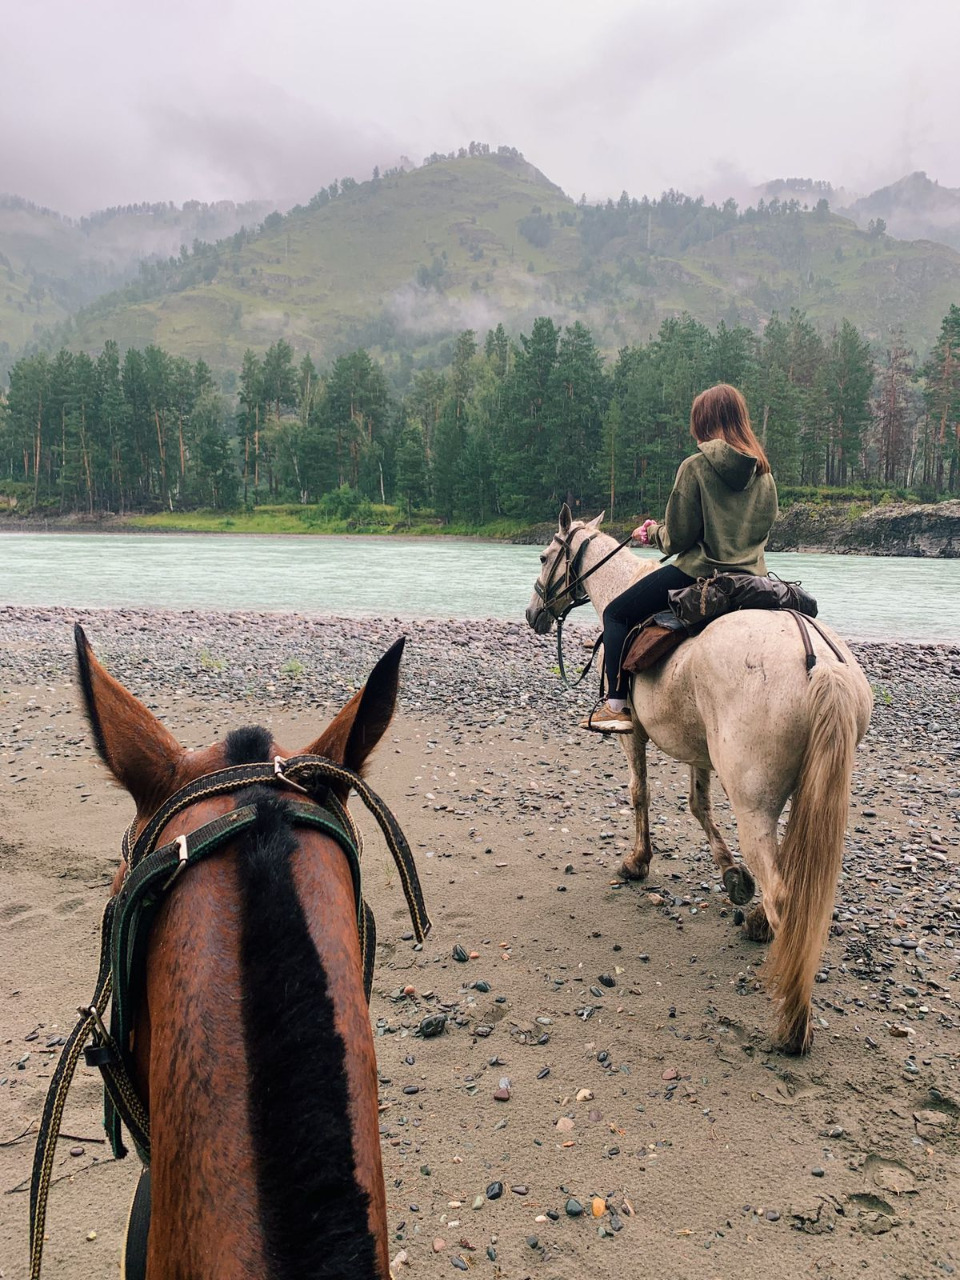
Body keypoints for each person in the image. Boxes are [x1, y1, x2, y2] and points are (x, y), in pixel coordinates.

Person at [583, 383, 779, 732]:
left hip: (699, 575)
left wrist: (653, 532)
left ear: (704, 423)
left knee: (616, 613)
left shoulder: (696, 467)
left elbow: (677, 538)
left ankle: (616, 706)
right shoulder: (764, 476)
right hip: (753, 580)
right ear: (740, 420)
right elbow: (761, 532)